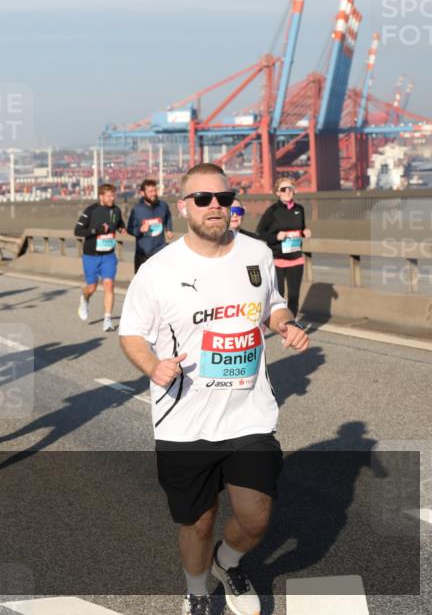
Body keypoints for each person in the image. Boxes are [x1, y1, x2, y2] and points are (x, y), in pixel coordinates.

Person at [118, 163, 310, 615]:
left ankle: (229, 562)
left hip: (248, 413)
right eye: (203, 199)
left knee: (256, 517)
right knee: (198, 523)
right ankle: (198, 592)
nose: (215, 206)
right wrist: (153, 366)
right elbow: (131, 333)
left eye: (224, 198)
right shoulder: (159, 269)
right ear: (184, 207)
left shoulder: (256, 253)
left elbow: (273, 305)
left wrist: (285, 324)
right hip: (185, 420)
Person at [256, 177, 311, 319]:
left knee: (294, 296)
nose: (287, 191)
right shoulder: (272, 211)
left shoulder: (300, 209)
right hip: (277, 260)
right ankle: (280, 323)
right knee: (279, 296)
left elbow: (301, 229)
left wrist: (305, 232)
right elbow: (260, 232)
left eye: (290, 188)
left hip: (296, 258)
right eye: (283, 189)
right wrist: (276, 236)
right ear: (277, 193)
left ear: (295, 191)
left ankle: (291, 325)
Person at [74, 183, 126, 332]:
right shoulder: (90, 211)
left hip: (108, 255)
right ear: (101, 196)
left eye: (113, 195)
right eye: (109, 196)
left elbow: (119, 223)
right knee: (92, 287)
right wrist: (95, 230)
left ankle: (107, 320)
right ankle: (85, 298)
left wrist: (121, 228)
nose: (112, 198)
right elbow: (78, 231)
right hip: (91, 256)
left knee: (109, 285)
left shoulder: (116, 210)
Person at [127, 178, 174, 273]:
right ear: (142, 193)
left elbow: (168, 216)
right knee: (142, 281)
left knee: (160, 279)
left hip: (160, 251)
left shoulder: (163, 206)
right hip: (143, 254)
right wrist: (140, 230)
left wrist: (168, 229)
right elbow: (130, 229)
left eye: (154, 190)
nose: (153, 194)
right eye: (150, 191)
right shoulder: (137, 210)